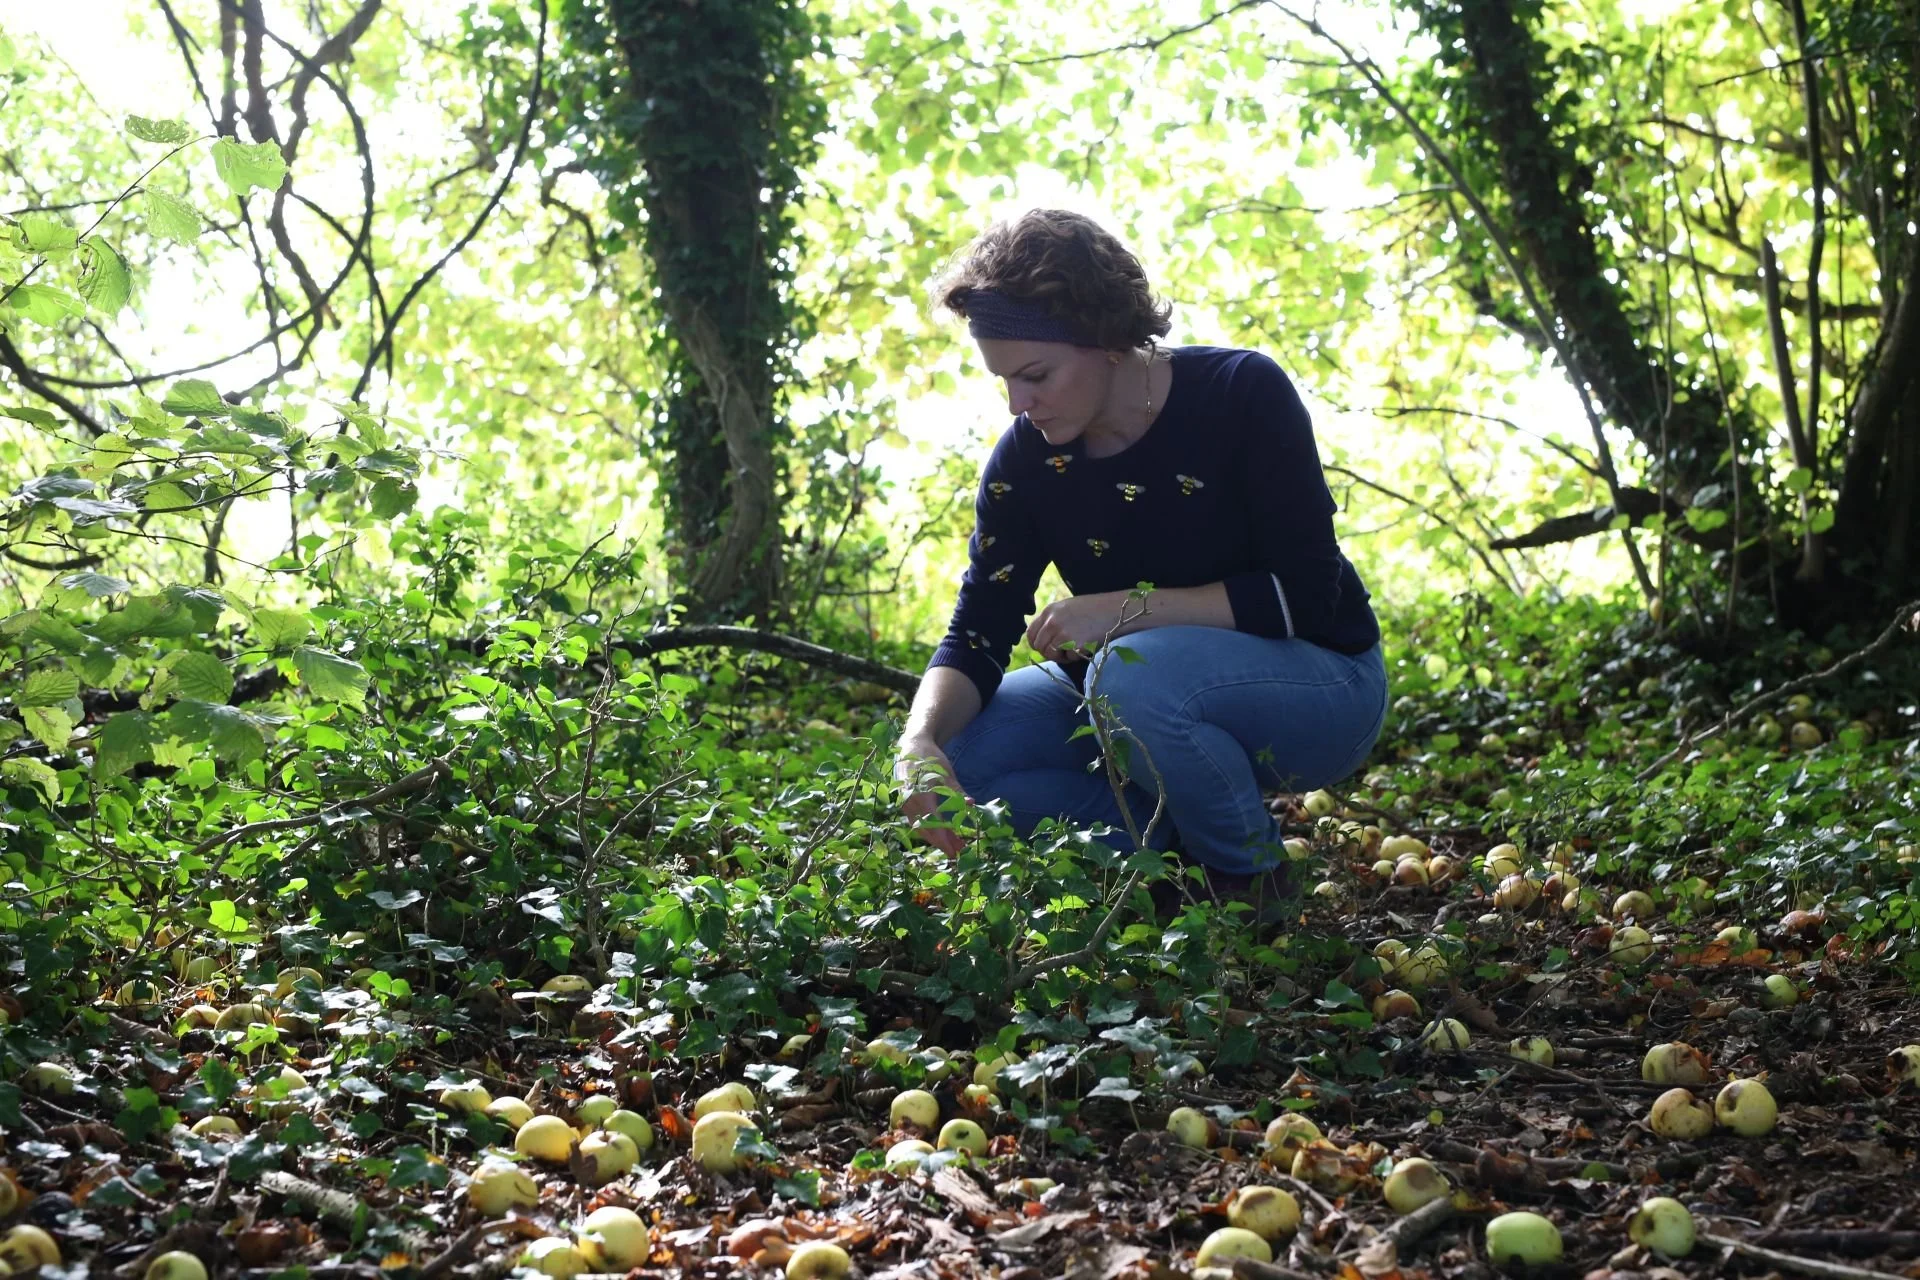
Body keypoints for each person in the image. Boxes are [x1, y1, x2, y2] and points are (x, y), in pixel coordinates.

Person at [893, 208, 1387, 910]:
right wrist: (918, 744)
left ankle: (1250, 881)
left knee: (1126, 677)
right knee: (964, 759)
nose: (1017, 404)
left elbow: (1306, 596)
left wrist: (1122, 612)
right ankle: (1177, 859)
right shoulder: (1027, 461)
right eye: (1004, 380)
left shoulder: (1241, 392)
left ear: (1107, 340)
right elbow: (979, 625)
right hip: (1129, 690)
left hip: (1322, 684)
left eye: (1035, 375)